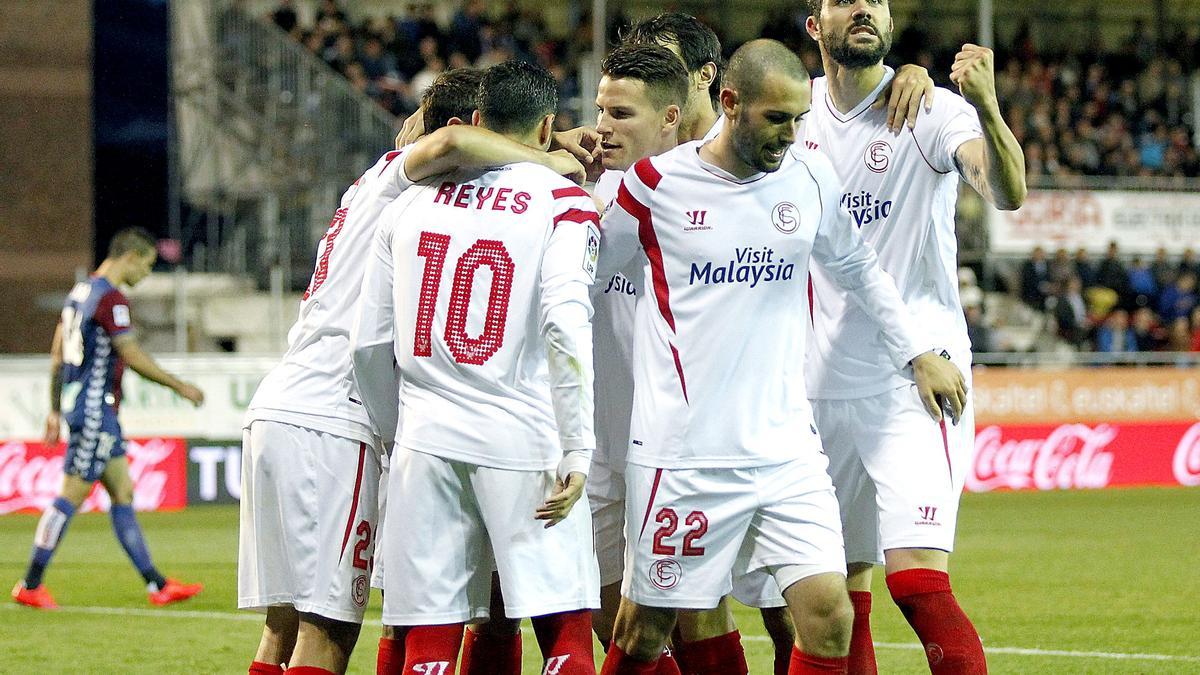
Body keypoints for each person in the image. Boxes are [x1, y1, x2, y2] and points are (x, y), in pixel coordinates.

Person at [595, 40, 966, 675]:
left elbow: (856, 266)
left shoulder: (809, 175)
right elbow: (585, 275)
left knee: (828, 616)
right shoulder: (655, 185)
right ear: (730, 104)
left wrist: (916, 352)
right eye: (776, 119)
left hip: (787, 451)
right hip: (686, 457)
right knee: (642, 634)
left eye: (798, 119)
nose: (791, 135)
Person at [238, 67, 587, 675]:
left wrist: (548, 142)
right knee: (328, 633)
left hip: (283, 408)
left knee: (284, 626)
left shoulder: (380, 184)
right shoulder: (407, 186)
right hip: (335, 418)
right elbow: (452, 146)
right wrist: (547, 162)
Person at [351, 60, 603, 675]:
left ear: (480, 121)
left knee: (430, 631)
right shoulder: (566, 204)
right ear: (549, 127)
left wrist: (396, 434)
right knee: (563, 623)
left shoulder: (408, 205)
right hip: (523, 436)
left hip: (424, 441)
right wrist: (577, 447)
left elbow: (367, 346)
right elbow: (565, 325)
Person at [801, 0, 1026, 671]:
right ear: (815, 25)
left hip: (920, 376)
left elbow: (1007, 191)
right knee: (836, 596)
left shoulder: (930, 109)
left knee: (919, 582)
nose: (865, 6)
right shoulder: (794, 112)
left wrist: (985, 104)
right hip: (821, 380)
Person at [13, 227, 206, 610]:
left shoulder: (80, 293)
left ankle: (157, 585)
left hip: (92, 408)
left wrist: (54, 409)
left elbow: (57, 355)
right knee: (72, 494)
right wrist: (178, 385)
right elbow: (130, 353)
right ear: (130, 255)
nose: (147, 274)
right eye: (148, 265)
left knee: (122, 491)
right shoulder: (111, 298)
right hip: (95, 410)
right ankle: (31, 583)